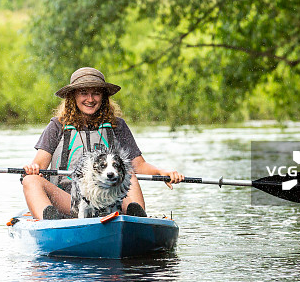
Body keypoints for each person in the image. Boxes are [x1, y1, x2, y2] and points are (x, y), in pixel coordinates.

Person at [22, 67, 184, 220]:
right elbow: (39, 164)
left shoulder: (117, 126)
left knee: (126, 170)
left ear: (104, 97)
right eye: (83, 93)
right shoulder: (57, 126)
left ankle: (136, 220)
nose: (90, 99)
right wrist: (33, 169)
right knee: (30, 180)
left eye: (96, 93)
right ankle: (50, 222)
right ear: (73, 97)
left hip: (111, 199)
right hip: (70, 201)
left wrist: (162, 172)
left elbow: (139, 165)